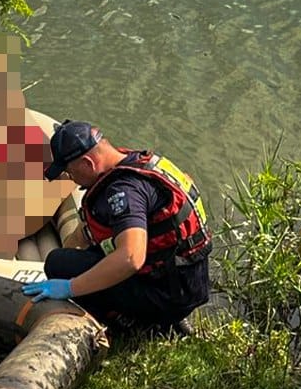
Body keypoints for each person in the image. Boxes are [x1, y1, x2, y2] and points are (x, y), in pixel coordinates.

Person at [21, 120, 212, 335]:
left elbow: (131, 258)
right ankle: (170, 318)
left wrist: (70, 287)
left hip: (167, 295)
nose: (73, 180)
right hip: (187, 282)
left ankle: (131, 326)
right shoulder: (141, 163)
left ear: (88, 163)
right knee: (71, 258)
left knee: (58, 264)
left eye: (71, 172)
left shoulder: (123, 191)